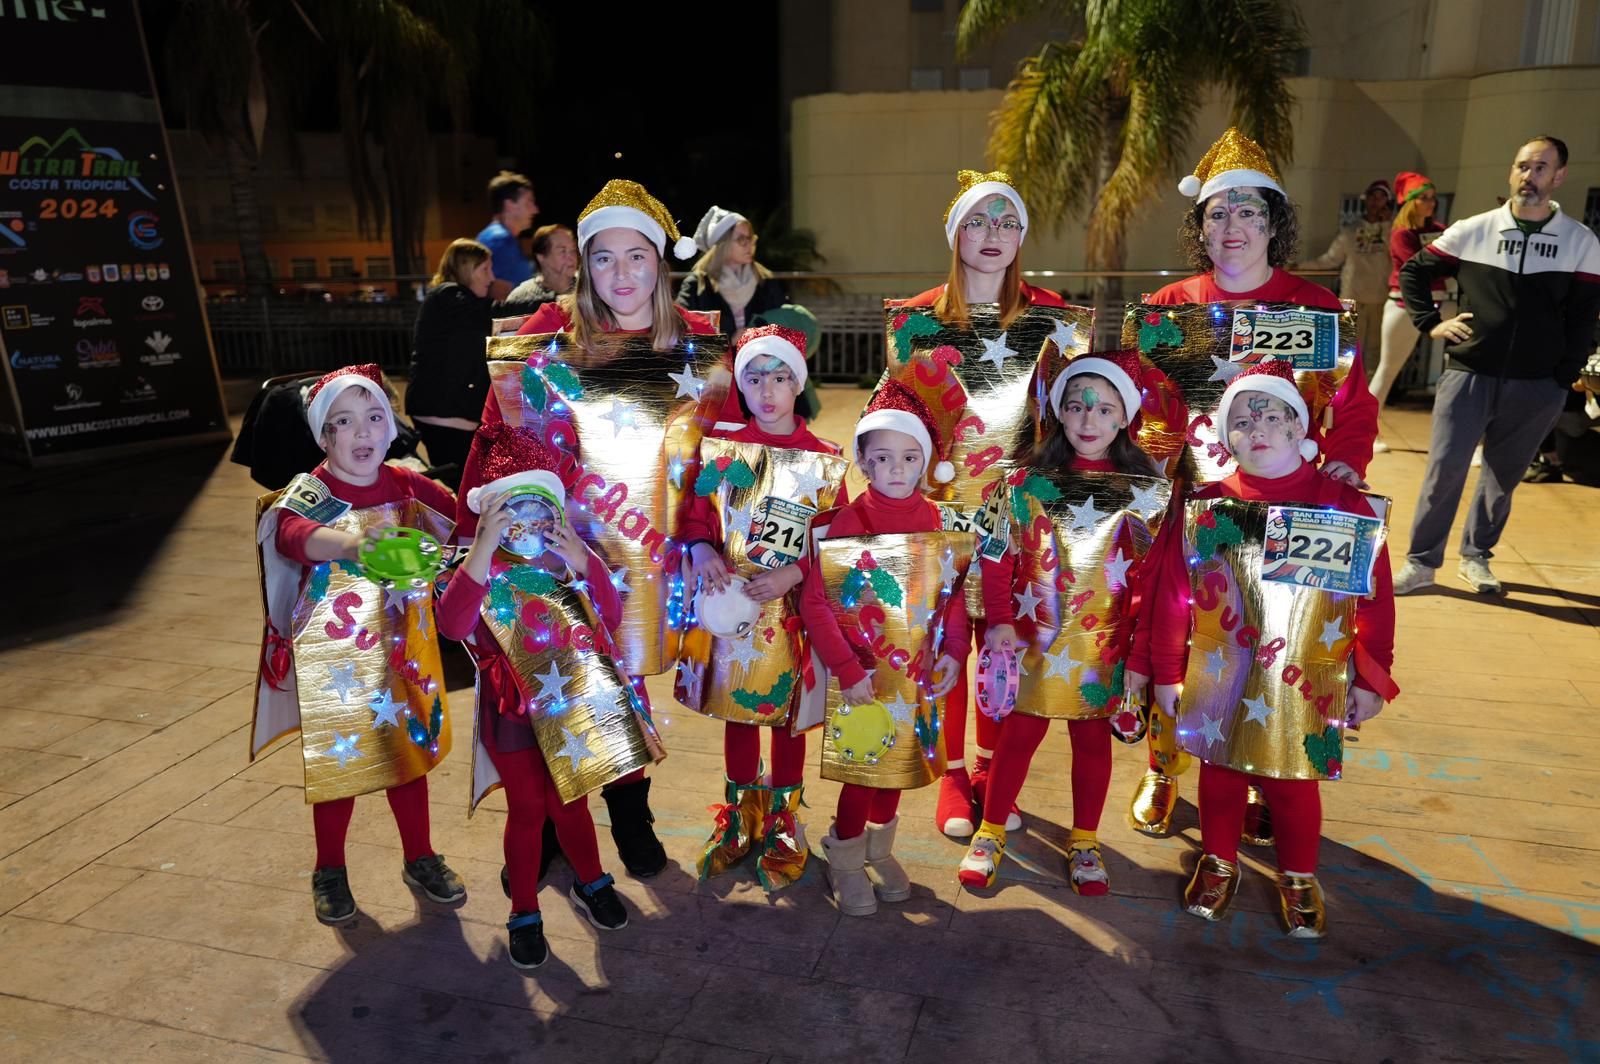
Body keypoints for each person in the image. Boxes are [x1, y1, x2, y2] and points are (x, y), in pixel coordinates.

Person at [458, 178, 716, 877]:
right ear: (582, 264)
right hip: (550, 554)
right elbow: (497, 438)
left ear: (660, 262)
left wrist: (704, 536)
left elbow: (719, 456)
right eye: (604, 257)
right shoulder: (543, 338)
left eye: (637, 256)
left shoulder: (695, 346)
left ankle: (630, 809)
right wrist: (485, 538)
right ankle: (546, 820)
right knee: (551, 680)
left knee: (625, 679)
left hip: (647, 555)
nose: (621, 273)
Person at [1129, 127, 1381, 839]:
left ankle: (1267, 768)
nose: (1233, 225)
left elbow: (1354, 406)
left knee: (1276, 642)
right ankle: (1163, 765)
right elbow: (1140, 409)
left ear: (1274, 224)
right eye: (1218, 212)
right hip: (1191, 513)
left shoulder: (1317, 310)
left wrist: (1346, 461)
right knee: (1183, 641)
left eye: (1249, 211)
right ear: (1200, 228)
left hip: (1286, 513)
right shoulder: (1167, 310)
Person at [1137, 359, 1398, 938]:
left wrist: (1371, 676)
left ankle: (1299, 875)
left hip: (1305, 676)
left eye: (1272, 416)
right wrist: (1166, 672)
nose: (1257, 428)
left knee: (1294, 779)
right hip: (1221, 671)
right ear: (1224, 439)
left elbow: (1375, 599)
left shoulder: (1342, 506)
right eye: (1242, 421)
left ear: (1301, 426)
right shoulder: (1207, 505)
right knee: (1220, 773)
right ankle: (1218, 861)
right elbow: (1174, 594)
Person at [889, 169, 1080, 840]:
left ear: (1022, 235)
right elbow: (894, 415)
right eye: (977, 221)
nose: (992, 234)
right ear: (954, 235)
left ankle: (989, 771)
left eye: (1006, 222)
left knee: (1004, 648)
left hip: (1020, 520)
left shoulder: (1053, 318)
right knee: (946, 645)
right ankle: (949, 775)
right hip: (940, 516)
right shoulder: (916, 321)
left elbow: (1077, 418)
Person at [250, 364, 464, 924]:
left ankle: (420, 856)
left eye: (374, 417)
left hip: (403, 653)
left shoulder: (407, 485)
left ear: (390, 428)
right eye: (344, 422)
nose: (363, 432)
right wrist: (352, 545)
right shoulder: (314, 491)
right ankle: (329, 868)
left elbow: (460, 519)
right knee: (337, 766)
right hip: (336, 660)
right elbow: (293, 535)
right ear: (324, 437)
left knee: (408, 756)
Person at [957, 349, 1169, 896]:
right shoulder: (1024, 483)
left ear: (1125, 417)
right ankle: (990, 830)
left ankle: (1085, 840)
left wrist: (1141, 656)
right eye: (1076, 406)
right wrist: (999, 621)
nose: (1088, 419)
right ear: (1058, 413)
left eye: (1103, 409)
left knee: (1092, 740)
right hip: (1032, 642)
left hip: (1103, 647)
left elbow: (1153, 581)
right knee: (1018, 736)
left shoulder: (1147, 493)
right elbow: (997, 554)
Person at [437, 424, 634, 969]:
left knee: (571, 801)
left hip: (570, 703)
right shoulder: (474, 566)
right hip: (510, 712)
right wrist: (480, 550)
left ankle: (591, 881)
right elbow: (453, 625)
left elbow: (611, 617)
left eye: (539, 508)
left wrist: (585, 563)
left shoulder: (563, 560)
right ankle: (523, 909)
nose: (527, 522)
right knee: (527, 809)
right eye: (512, 511)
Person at [1393, 136, 1600, 596]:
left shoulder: (1581, 242)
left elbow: (1585, 315)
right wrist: (1431, 323)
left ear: (1559, 176)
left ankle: (1476, 557)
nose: (1529, 175)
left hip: (1538, 383)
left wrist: (1563, 376)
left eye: (1541, 167)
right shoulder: (1475, 229)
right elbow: (1414, 271)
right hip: (1469, 372)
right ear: (1511, 172)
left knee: (1502, 477)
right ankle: (1421, 562)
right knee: (1444, 471)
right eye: (1523, 166)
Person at [677, 324, 844, 890]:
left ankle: (783, 819)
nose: (767, 390)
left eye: (779, 377)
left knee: (787, 717)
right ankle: (741, 813)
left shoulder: (825, 461)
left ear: (798, 384)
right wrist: (700, 548)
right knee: (738, 712)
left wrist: (795, 573)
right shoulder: (722, 453)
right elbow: (697, 515)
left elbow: (837, 541)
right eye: (753, 378)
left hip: (792, 615)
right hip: (732, 612)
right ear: (740, 387)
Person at [800, 381, 968, 916]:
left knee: (897, 767)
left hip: (915, 675)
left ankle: (878, 848)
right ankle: (846, 856)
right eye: (883, 458)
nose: (897, 468)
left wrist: (954, 650)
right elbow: (815, 603)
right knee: (862, 770)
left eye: (909, 457)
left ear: (927, 463)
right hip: (864, 678)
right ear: (864, 463)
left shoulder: (936, 520)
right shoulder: (853, 522)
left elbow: (951, 594)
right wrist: (847, 670)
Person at [407, 239, 494, 487]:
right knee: (467, 489)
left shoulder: (454, 302)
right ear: (466, 269)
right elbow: (491, 314)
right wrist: (547, 303)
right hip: (444, 411)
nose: (491, 278)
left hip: (444, 410)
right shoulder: (448, 296)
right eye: (485, 269)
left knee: (466, 488)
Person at [1370, 171, 1448, 447]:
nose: (1431, 203)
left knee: (1461, 370)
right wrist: (1442, 265)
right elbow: (1418, 269)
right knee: (1387, 370)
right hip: (1404, 305)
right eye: (1424, 198)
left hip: (1440, 302)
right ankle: (1366, 433)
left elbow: (1449, 264)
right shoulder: (1402, 233)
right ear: (1411, 202)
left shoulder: (1439, 229)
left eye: (1432, 197)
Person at [1301, 179, 1392, 377]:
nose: (1376, 202)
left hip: (1380, 299)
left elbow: (1399, 256)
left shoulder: (1392, 231)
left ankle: (1370, 390)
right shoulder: (1350, 230)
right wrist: (1298, 267)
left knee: (1375, 352)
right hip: (1352, 298)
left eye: (1381, 197)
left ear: (1387, 201)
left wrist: (1386, 225)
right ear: (1366, 199)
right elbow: (1330, 259)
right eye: (1373, 197)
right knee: (1346, 350)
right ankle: (1343, 389)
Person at [676, 206, 790, 338]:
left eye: (750, 238)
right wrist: (729, 339)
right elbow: (681, 327)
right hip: (717, 352)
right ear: (723, 244)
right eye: (741, 239)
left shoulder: (765, 281)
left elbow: (784, 323)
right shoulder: (697, 285)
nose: (749, 245)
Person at [477, 170, 538, 301]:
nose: (535, 210)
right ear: (510, 206)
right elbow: (501, 296)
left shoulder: (493, 237)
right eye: (529, 202)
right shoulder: (500, 240)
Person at [501, 224, 578, 317]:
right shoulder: (522, 297)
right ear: (541, 257)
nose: (571, 257)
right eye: (562, 251)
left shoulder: (589, 288)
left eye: (573, 250)